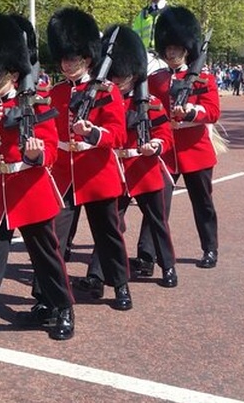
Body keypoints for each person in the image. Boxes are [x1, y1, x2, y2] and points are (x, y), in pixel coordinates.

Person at [0, 12, 75, 355]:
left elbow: (52, 149)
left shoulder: (38, 102)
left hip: (31, 189)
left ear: (13, 72)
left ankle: (63, 308)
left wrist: (37, 155)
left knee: (46, 257)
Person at [76, 26, 178, 292]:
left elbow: (164, 135)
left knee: (157, 221)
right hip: (114, 170)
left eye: (123, 78)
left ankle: (168, 265)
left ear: (134, 76)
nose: (118, 82)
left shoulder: (149, 103)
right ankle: (97, 274)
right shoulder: (103, 99)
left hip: (142, 168)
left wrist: (155, 145)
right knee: (109, 226)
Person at [44, 7, 131, 310]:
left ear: (88, 59)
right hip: (64, 175)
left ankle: (120, 284)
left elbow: (119, 135)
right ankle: (46, 296)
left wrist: (94, 133)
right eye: (65, 59)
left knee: (108, 234)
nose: (68, 64)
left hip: (96, 172)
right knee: (53, 237)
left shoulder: (107, 91)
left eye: (74, 59)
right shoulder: (55, 93)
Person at [147, 6, 221, 269]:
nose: (171, 53)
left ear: (187, 49)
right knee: (156, 204)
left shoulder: (203, 78)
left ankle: (209, 248)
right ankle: (149, 254)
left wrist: (192, 112)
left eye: (176, 49)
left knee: (203, 204)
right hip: (166, 151)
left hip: (195, 150)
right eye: (168, 49)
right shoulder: (155, 80)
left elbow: (212, 111)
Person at [132, 0, 170, 76]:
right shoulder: (142, 14)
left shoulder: (170, 12)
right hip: (145, 56)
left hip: (164, 56)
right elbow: (135, 36)